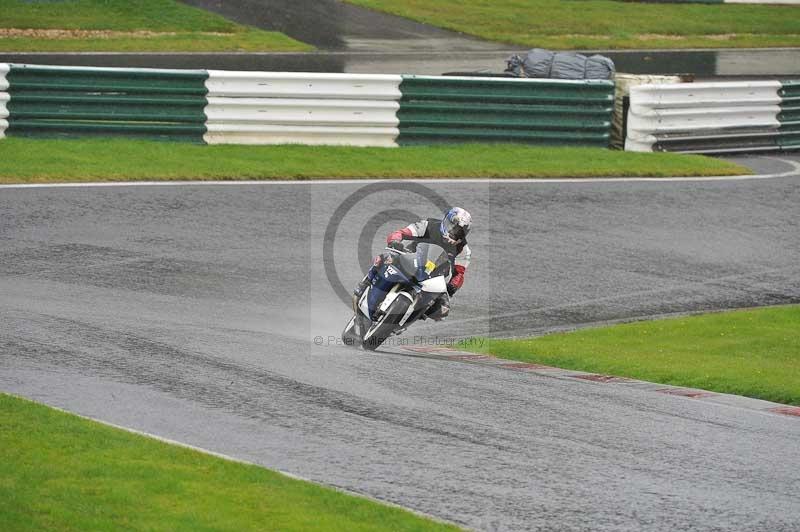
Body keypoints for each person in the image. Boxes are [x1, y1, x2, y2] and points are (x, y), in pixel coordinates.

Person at [354, 207, 472, 321]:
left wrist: (453, 286)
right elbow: (402, 232)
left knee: (443, 310)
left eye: (458, 232)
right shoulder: (428, 225)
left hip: (434, 277)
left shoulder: (463, 250)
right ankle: (367, 282)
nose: (452, 232)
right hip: (412, 258)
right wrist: (395, 241)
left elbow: (459, 273)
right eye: (452, 227)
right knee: (385, 257)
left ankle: (409, 318)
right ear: (445, 220)